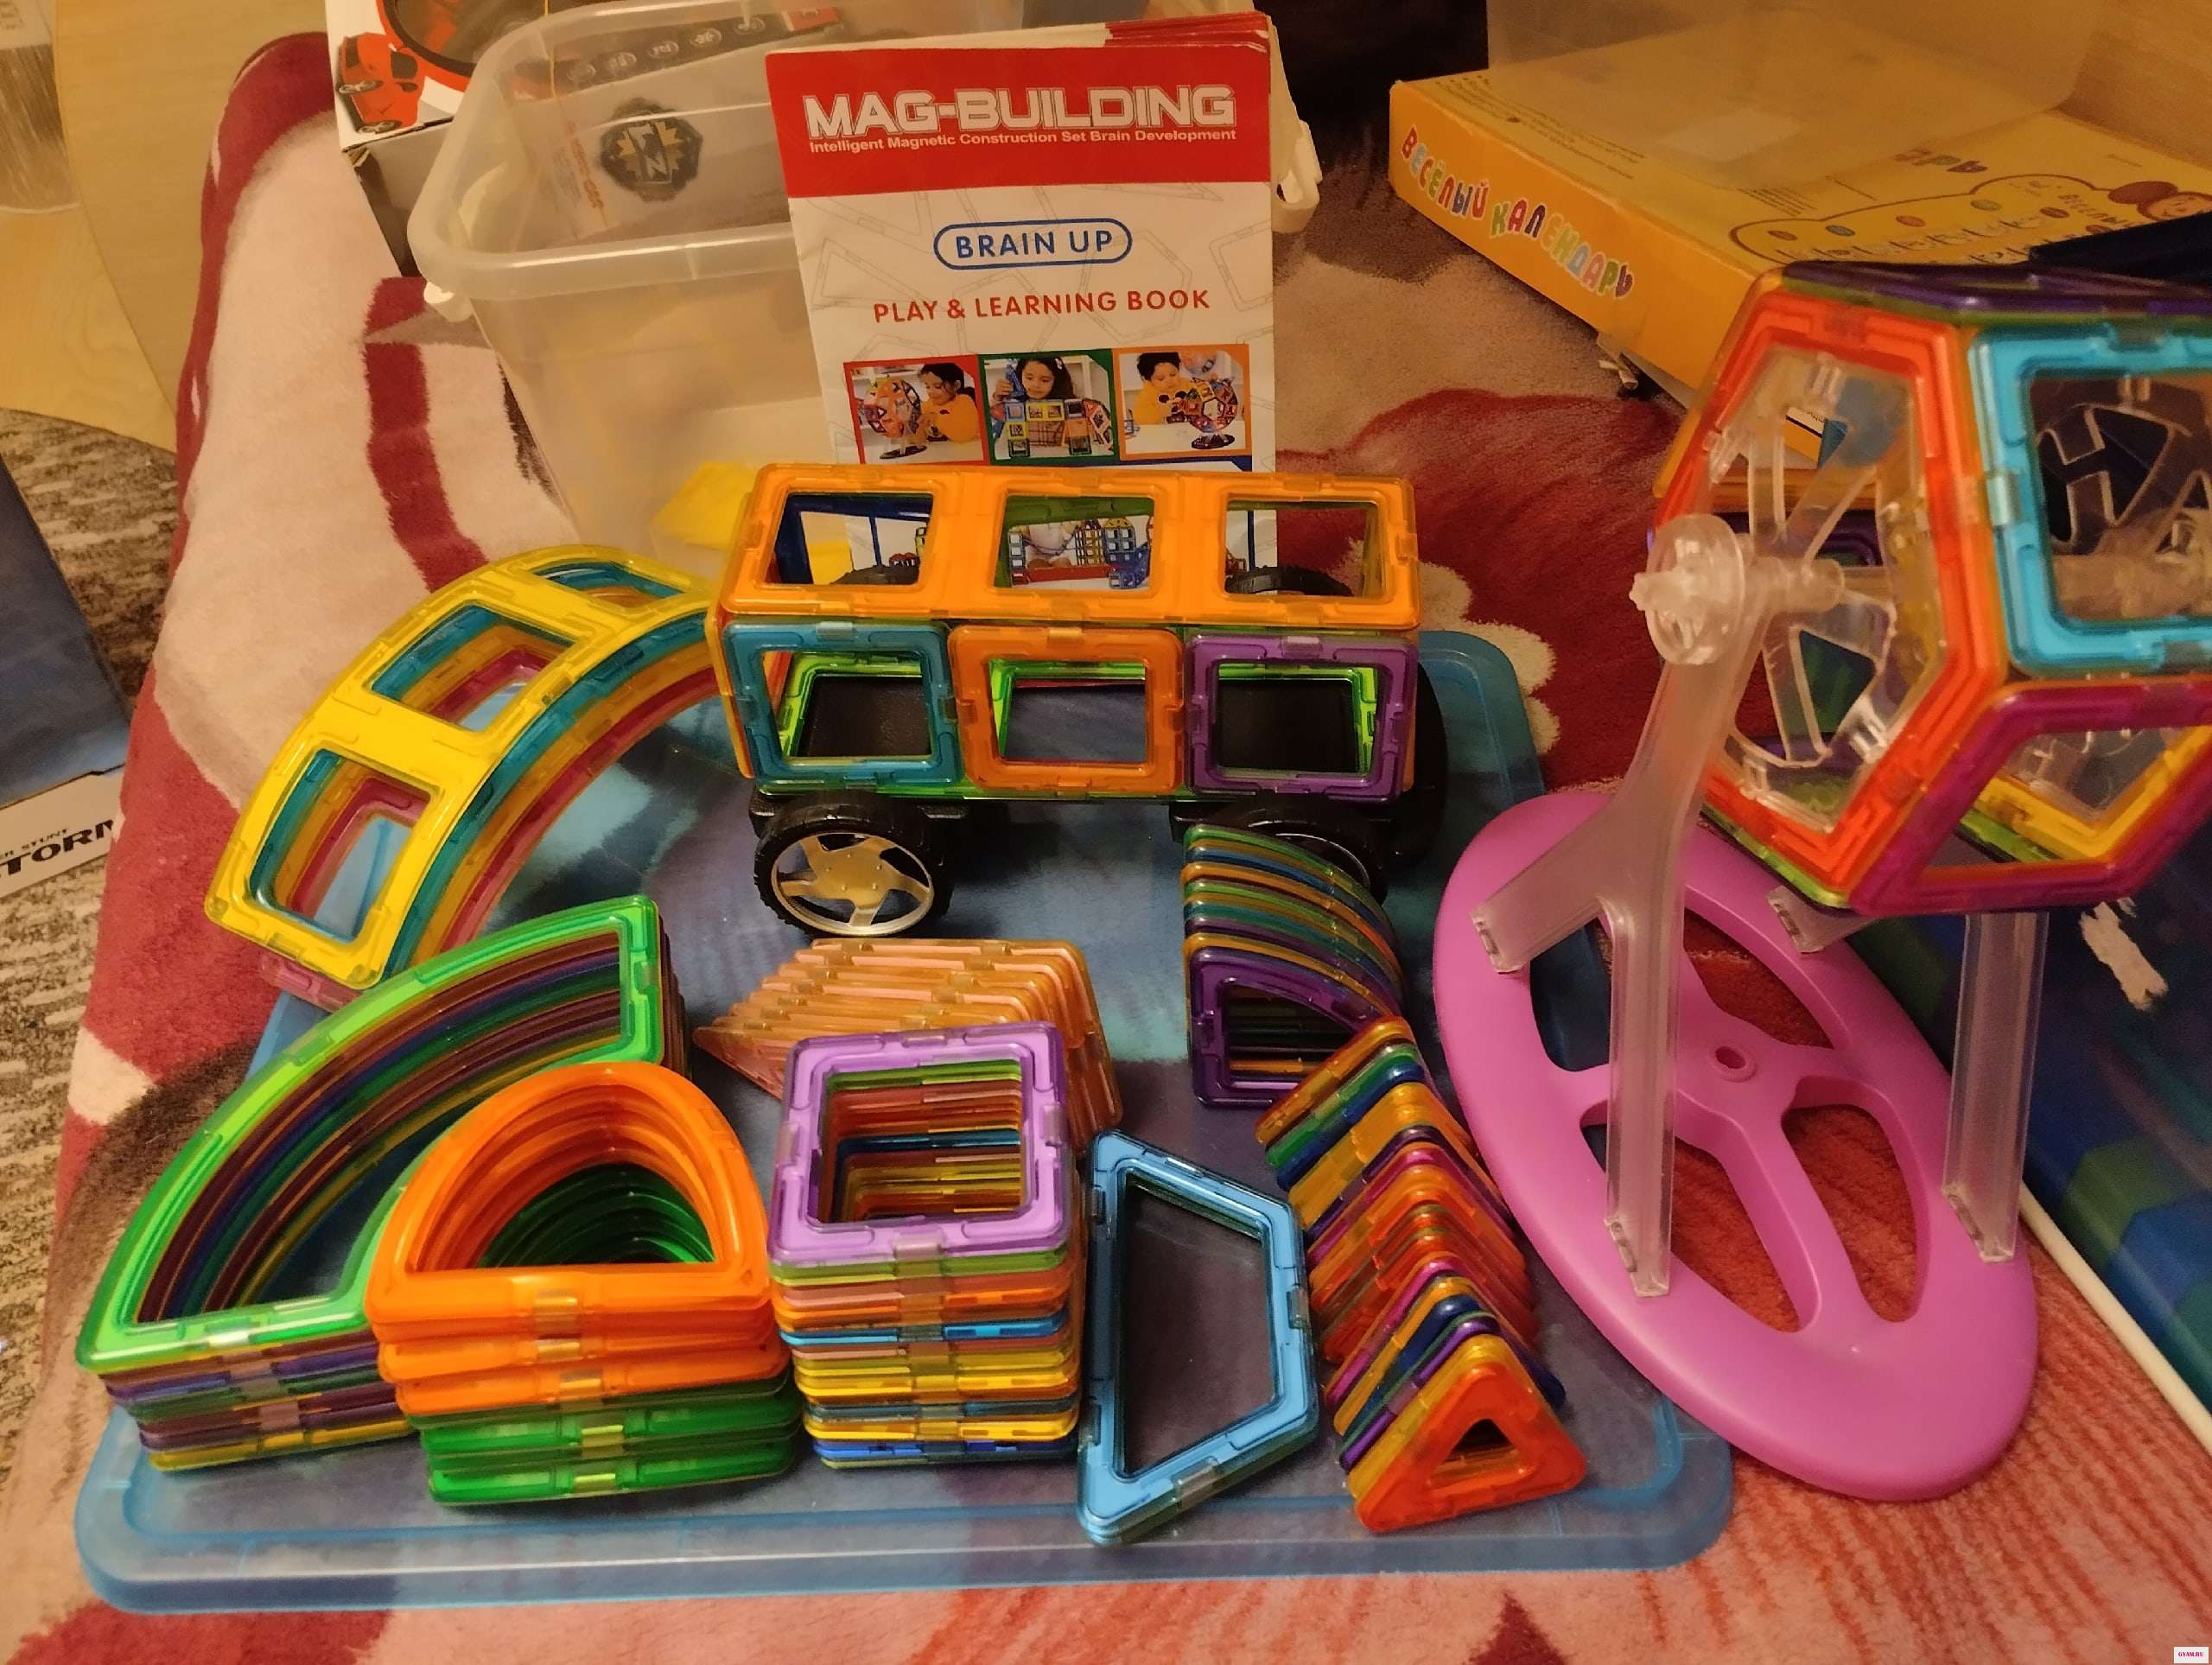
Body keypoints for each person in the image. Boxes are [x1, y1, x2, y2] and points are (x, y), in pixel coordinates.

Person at [1128, 351, 1196, 425]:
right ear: (1149, 380)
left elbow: (1201, 403)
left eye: (1173, 374)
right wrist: (1160, 411)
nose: (1169, 381)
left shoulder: (1187, 385)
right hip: (1162, 430)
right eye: (1161, 379)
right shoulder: (1148, 393)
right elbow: (1139, 418)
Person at [917, 362, 979, 444]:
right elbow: (919, 438)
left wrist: (937, 419)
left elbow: (964, 435)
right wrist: (920, 429)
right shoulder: (928, 405)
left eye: (938, 386)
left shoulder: (964, 402)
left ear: (955, 386)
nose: (931, 392)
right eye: (927, 386)